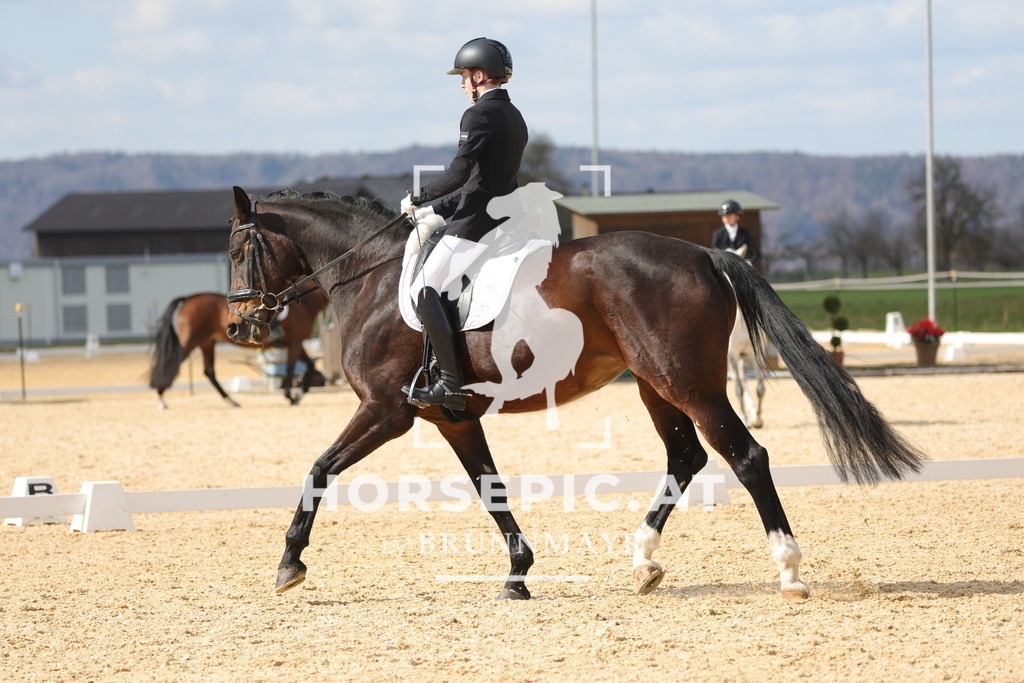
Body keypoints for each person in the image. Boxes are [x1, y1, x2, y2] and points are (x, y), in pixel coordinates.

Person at [400, 37, 529, 412]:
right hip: (504, 215)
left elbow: (459, 172)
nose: (461, 85)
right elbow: (487, 180)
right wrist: (443, 209)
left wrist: (419, 197)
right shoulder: (514, 115)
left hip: (477, 223)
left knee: (425, 288)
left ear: (477, 75)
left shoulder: (478, 115)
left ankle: (450, 384)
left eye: (463, 77)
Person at [711, 199, 759, 265]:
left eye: (729, 215)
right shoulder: (718, 234)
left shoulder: (745, 233)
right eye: (724, 216)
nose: (726, 218)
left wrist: (749, 263)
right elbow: (714, 253)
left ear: (737, 216)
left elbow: (755, 253)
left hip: (742, 267)